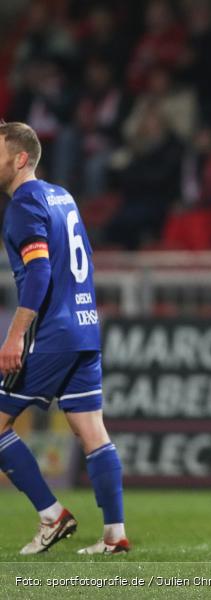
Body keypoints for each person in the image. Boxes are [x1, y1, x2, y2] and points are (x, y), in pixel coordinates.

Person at [0, 122, 128, 555]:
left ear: (19, 159)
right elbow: (85, 258)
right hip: (85, 326)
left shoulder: (22, 204)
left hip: (50, 333)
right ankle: (114, 535)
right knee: (92, 430)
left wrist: (15, 336)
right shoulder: (62, 195)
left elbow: (39, 272)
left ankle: (52, 516)